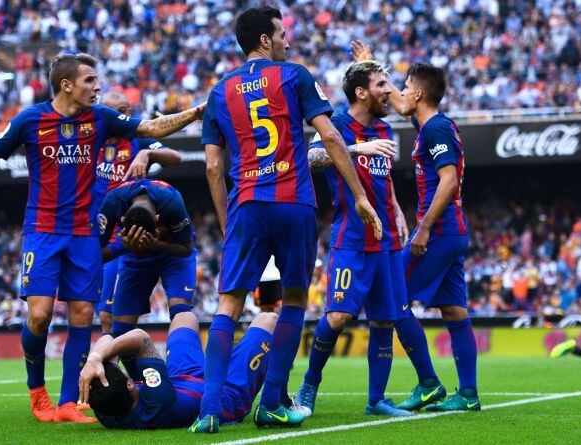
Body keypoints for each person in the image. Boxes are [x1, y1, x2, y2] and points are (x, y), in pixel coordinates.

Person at [0, 53, 205, 423]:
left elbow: (150, 130)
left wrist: (193, 113)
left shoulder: (101, 117)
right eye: (90, 80)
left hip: (84, 232)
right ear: (67, 85)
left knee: (81, 316)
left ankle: (67, 403)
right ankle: (37, 393)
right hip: (43, 230)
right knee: (41, 316)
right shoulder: (31, 119)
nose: (97, 87)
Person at [195, 6, 382, 432]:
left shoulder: (219, 90)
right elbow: (331, 135)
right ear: (264, 39)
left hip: (246, 203)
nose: (287, 40)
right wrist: (358, 196)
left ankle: (208, 411)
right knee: (294, 299)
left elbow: (211, 167)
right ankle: (273, 403)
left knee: (229, 303)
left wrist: (228, 224)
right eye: (281, 33)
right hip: (292, 201)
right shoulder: (295, 75)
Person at [352, 41, 479, 412]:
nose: (398, 95)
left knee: (393, 298)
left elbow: (449, 181)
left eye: (405, 88)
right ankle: (468, 395)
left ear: (419, 93)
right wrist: (370, 66)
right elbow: (400, 103)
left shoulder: (436, 128)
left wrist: (423, 229)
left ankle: (428, 383)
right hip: (454, 231)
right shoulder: (432, 124)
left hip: (439, 231)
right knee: (455, 311)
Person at [294, 60, 411, 418]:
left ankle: (377, 400)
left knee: (385, 320)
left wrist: (397, 210)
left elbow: (384, 180)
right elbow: (311, 157)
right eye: (381, 85)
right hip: (350, 239)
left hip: (386, 240)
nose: (388, 92)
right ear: (361, 92)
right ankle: (310, 383)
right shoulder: (336, 126)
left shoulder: (384, 128)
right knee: (339, 316)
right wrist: (358, 149)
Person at [78, 311, 278, 429]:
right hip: (222, 396)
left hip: (180, 378)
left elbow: (107, 340)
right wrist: (94, 358)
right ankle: (280, 396)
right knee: (269, 319)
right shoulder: (157, 401)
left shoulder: (107, 413)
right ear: (130, 384)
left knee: (184, 317)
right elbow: (141, 338)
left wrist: (95, 361)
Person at [95, 90, 183, 335]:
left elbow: (176, 157)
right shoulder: (92, 138)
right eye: (109, 112)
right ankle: (111, 367)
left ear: (128, 113)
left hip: (130, 234)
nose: (115, 117)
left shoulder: (138, 137)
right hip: (100, 234)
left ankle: (116, 365)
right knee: (102, 314)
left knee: (109, 315)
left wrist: (148, 153)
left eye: (120, 112)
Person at [96, 178, 196, 380]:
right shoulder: (112, 201)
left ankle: (184, 377)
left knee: (180, 312)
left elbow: (186, 249)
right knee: (121, 329)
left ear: (158, 217)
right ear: (122, 221)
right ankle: (141, 384)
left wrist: (155, 244)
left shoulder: (172, 201)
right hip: (133, 257)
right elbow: (95, 253)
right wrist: (124, 246)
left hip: (172, 254)